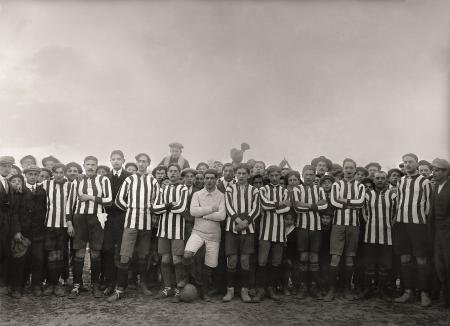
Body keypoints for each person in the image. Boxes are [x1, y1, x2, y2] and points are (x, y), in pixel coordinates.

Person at [107, 153, 159, 302]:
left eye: (144, 162)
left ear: (148, 164)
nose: (141, 164)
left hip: (147, 223)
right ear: (136, 163)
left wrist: (151, 208)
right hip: (130, 223)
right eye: (139, 161)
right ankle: (120, 289)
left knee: (143, 255)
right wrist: (130, 207)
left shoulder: (153, 181)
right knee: (125, 255)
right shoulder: (130, 179)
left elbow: (156, 201)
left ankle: (142, 284)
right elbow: (118, 200)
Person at [66, 156, 112, 299]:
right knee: (79, 253)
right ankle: (77, 285)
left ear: (97, 165)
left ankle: (95, 285)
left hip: (97, 218)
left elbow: (109, 200)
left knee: (95, 253)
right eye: (88, 164)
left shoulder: (103, 180)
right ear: (84, 165)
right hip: (80, 218)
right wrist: (69, 222)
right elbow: (70, 203)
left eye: (93, 164)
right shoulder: (77, 181)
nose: (91, 167)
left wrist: (90, 197)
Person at [393, 153, 432, 307]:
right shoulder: (400, 181)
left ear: (416, 163)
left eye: (410, 162)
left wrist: (425, 224)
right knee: (405, 258)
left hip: (418, 225)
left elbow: (428, 206)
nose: (407, 164)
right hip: (401, 224)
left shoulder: (424, 182)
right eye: (405, 162)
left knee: (421, 259)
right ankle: (408, 292)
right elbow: (399, 202)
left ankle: (424, 293)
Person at [324, 158, 365, 301]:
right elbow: (334, 202)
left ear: (355, 169)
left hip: (354, 225)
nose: (348, 170)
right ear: (343, 169)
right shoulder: (337, 185)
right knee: (335, 257)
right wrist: (349, 204)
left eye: (351, 168)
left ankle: (347, 289)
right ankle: (331, 289)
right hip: (338, 224)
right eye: (346, 167)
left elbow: (360, 203)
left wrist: (345, 201)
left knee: (349, 258)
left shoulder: (360, 186)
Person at [183, 169, 226, 301]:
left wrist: (202, 213)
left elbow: (222, 216)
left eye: (212, 178)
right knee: (187, 254)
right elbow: (193, 212)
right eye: (206, 178)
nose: (209, 180)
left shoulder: (221, 196)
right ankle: (188, 281)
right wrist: (211, 209)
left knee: (210, 265)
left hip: (214, 234)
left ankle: (204, 292)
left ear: (216, 179)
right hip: (198, 231)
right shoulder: (197, 194)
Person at [223, 163, 260, 303]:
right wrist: (238, 221)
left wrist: (246, 222)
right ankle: (230, 291)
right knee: (232, 260)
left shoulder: (254, 190)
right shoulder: (230, 189)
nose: (242, 176)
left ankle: (244, 291)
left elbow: (256, 209)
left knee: (245, 260)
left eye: (244, 173)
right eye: (239, 173)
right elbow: (228, 206)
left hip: (248, 228)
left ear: (248, 174)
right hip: (232, 228)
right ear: (235, 174)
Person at [152, 163, 188, 302]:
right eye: (170, 171)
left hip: (178, 229)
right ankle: (168, 288)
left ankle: (179, 290)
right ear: (167, 173)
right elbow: (155, 209)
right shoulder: (163, 189)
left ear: (179, 173)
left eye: (175, 171)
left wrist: (164, 207)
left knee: (177, 259)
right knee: (165, 259)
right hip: (163, 229)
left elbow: (181, 207)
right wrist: (169, 205)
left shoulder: (183, 188)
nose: (173, 173)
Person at [253, 165, 290, 302]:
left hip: (280, 231)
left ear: (280, 175)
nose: (274, 178)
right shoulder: (262, 189)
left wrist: (274, 207)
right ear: (268, 176)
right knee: (262, 261)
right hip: (265, 231)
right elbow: (264, 205)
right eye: (272, 175)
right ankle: (260, 290)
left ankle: (271, 288)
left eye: (277, 175)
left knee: (276, 262)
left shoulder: (285, 191)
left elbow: (287, 208)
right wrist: (279, 204)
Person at [358, 171, 396, 300]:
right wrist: (367, 220)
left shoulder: (392, 194)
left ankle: (382, 291)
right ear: (374, 181)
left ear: (386, 180)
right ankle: (368, 290)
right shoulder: (368, 194)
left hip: (387, 235)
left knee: (385, 265)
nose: (380, 180)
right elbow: (363, 210)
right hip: (370, 234)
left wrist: (392, 222)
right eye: (378, 178)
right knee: (369, 264)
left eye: (383, 178)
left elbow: (396, 211)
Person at [11, 164, 47, 297]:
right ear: (25, 175)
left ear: (38, 176)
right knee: (21, 260)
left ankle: (36, 285)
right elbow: (14, 213)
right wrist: (16, 231)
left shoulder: (42, 191)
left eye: (35, 174)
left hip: (38, 232)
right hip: (23, 233)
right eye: (30, 174)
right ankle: (18, 287)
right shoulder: (19, 190)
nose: (33, 177)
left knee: (38, 259)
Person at [292, 165, 328, 299]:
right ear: (302, 175)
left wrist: (306, 205)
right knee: (303, 257)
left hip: (316, 227)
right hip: (302, 227)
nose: (308, 177)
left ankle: (313, 286)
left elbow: (324, 205)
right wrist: (314, 206)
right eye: (306, 174)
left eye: (311, 174)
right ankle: (302, 286)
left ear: (314, 176)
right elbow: (297, 206)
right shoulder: (297, 189)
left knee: (314, 257)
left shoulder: (319, 189)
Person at [102, 150, 131, 296]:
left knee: (121, 252)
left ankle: (122, 285)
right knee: (107, 250)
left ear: (123, 160)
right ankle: (110, 283)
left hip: (123, 218)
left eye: (119, 159)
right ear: (110, 161)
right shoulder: (105, 177)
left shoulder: (130, 177)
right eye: (113, 159)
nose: (116, 161)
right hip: (107, 218)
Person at [41, 163, 71, 297]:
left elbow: (72, 205)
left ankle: (58, 283)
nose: (59, 174)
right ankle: (50, 282)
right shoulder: (45, 184)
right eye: (56, 172)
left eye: (61, 172)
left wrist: (70, 223)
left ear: (64, 173)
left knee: (60, 255)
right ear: (53, 173)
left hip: (63, 225)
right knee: (50, 254)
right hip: (49, 225)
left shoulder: (70, 186)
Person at [429, 158, 450, 307]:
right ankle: (443, 296)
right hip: (436, 232)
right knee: (439, 265)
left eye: (437, 170)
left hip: (447, 233)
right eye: (433, 170)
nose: (433, 173)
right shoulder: (436, 186)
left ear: (446, 172)